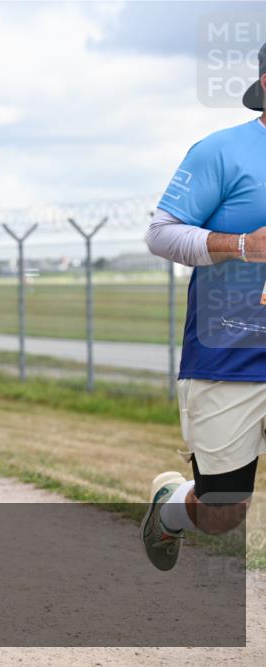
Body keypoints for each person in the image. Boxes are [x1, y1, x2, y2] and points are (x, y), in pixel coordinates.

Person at [141, 41, 266, 572]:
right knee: (222, 512)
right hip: (230, 352)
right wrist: (240, 244)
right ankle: (171, 510)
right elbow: (161, 235)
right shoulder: (221, 151)